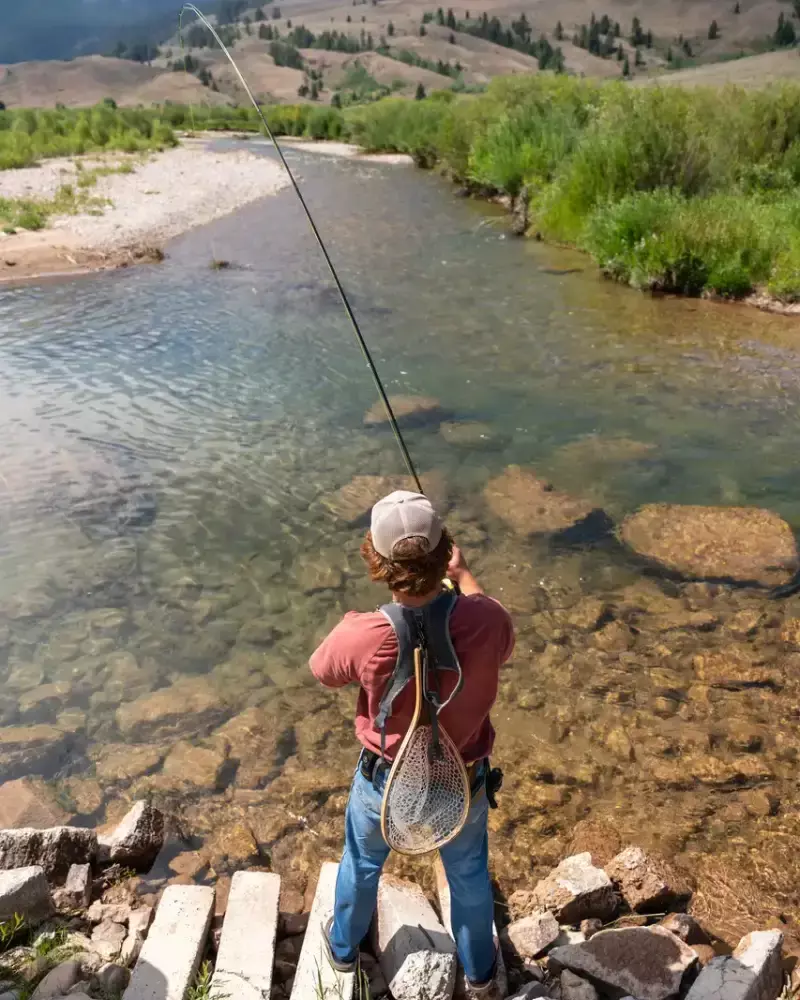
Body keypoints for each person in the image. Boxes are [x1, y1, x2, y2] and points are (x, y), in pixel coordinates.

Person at [309, 490, 515, 997]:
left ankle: (341, 957)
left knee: (361, 865)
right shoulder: (487, 618)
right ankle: (481, 976)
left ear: (375, 562)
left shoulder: (364, 633)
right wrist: (464, 578)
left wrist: (356, 627)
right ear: (446, 550)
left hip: (385, 781)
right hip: (462, 780)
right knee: (468, 876)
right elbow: (500, 638)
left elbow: (322, 671)